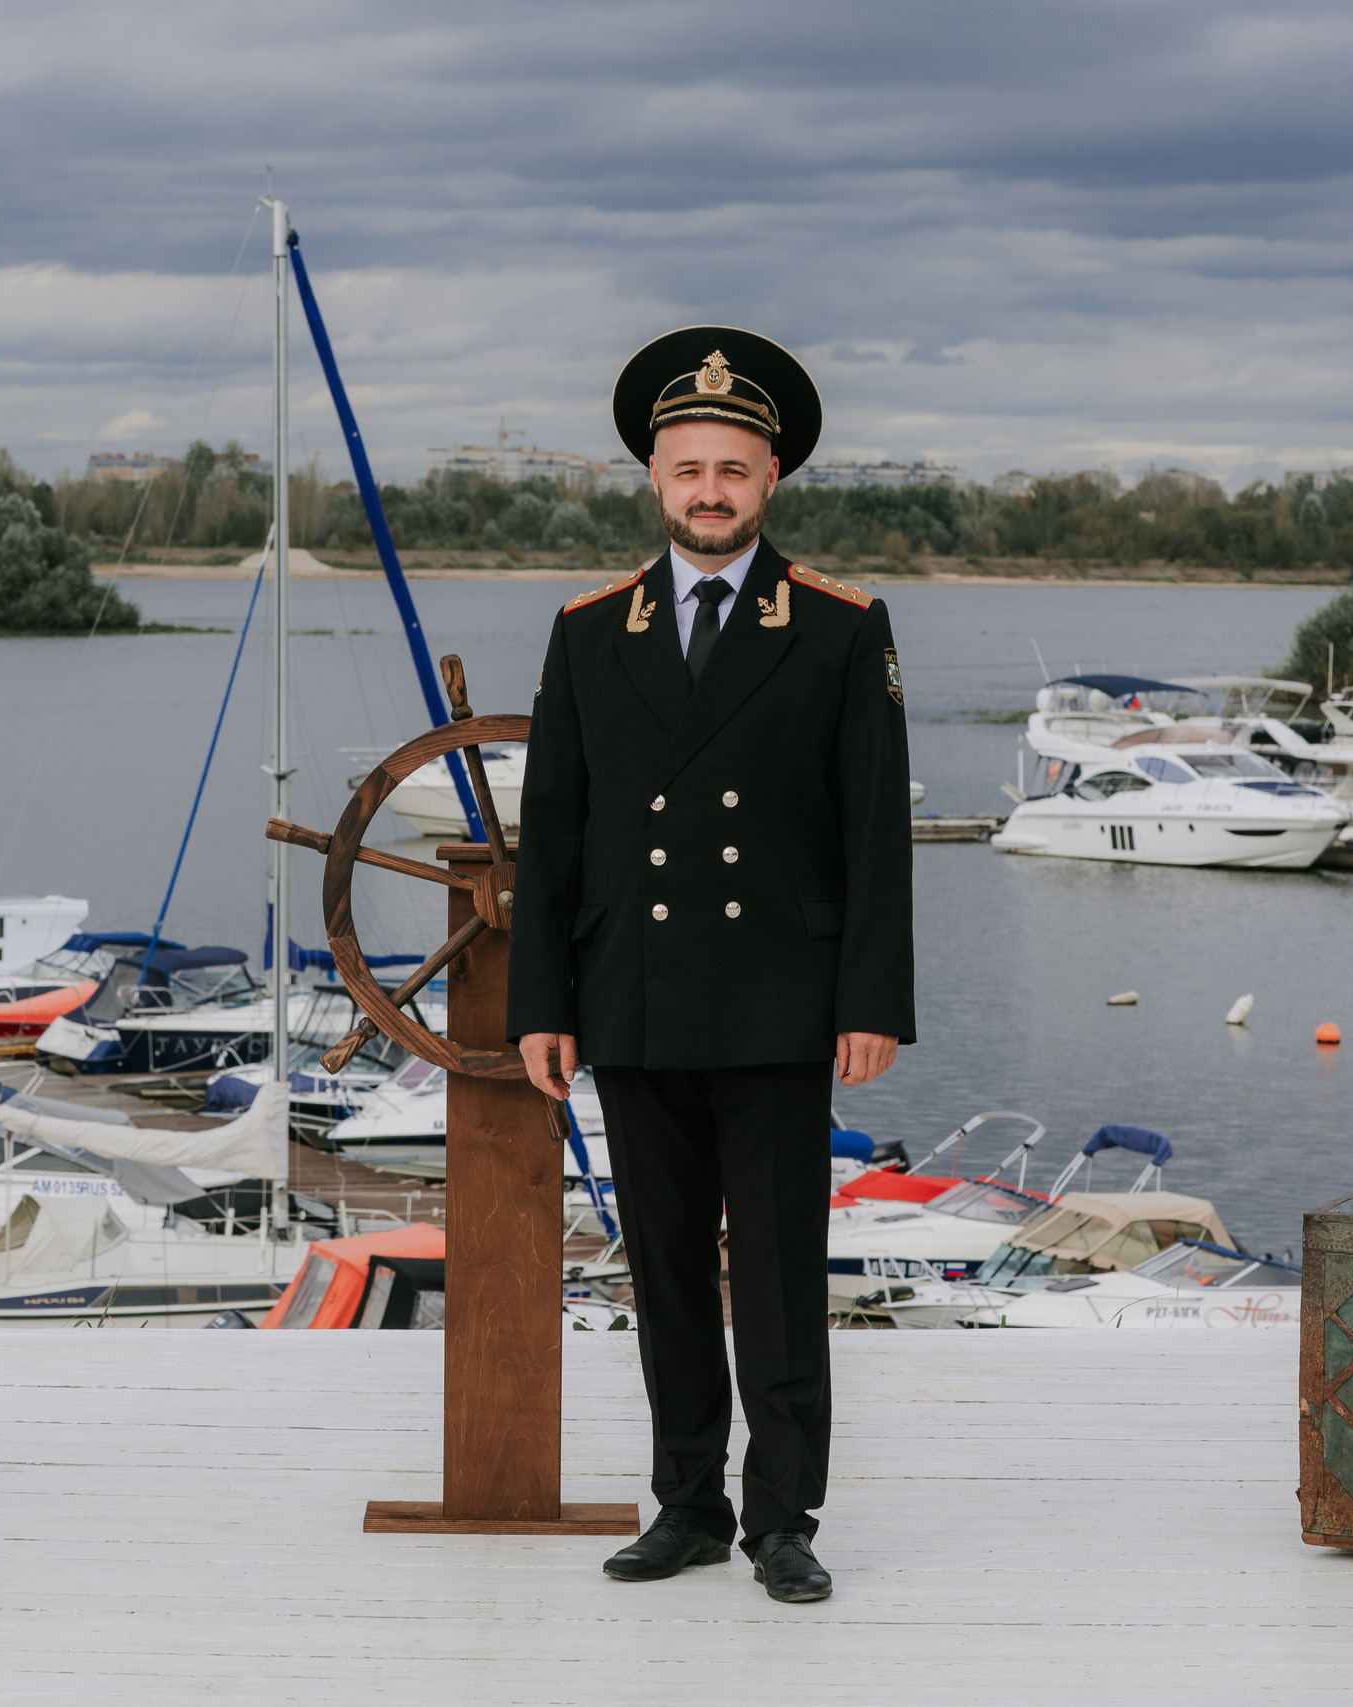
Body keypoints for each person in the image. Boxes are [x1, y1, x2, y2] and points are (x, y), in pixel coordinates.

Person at [505, 326, 915, 1605]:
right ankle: (685, 1502)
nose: (708, 493)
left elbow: (873, 834)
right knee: (666, 1268)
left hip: (782, 1004)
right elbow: (554, 835)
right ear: (653, 478)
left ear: (772, 478)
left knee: (780, 1274)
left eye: (732, 471)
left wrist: (872, 1001)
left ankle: (781, 1517)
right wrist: (541, 1004)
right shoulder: (587, 632)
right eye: (686, 470)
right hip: (633, 997)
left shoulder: (842, 628)